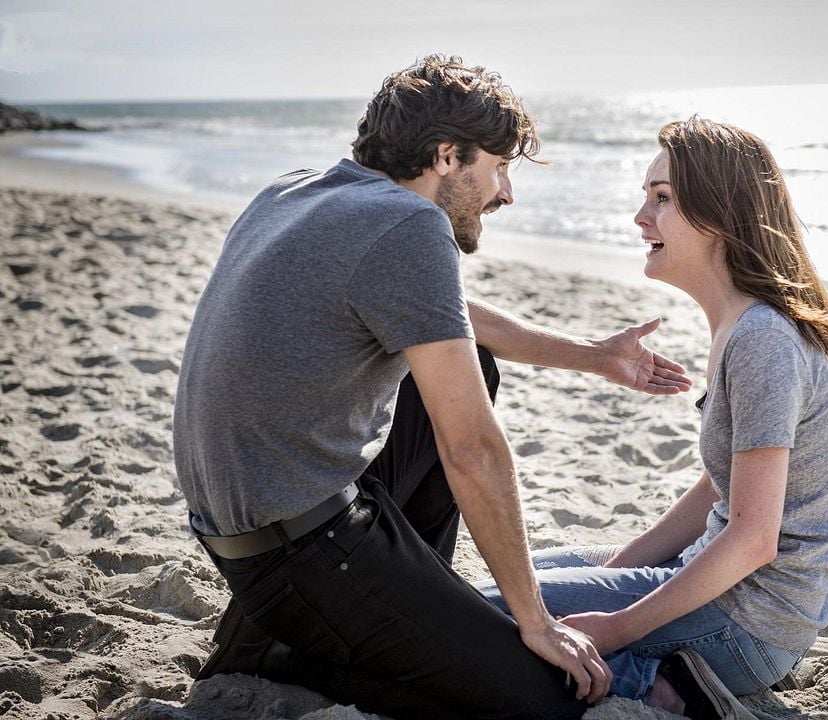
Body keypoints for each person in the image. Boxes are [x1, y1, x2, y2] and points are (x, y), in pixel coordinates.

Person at [173, 55, 693, 720]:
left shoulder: (299, 191)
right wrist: (534, 620)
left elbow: (449, 320)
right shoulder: (409, 225)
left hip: (243, 533)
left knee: (474, 359)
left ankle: (401, 614)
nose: (507, 193)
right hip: (301, 557)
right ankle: (300, 649)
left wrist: (593, 356)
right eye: (498, 167)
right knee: (546, 697)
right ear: (447, 156)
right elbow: (471, 449)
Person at [477, 117, 828, 719]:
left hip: (750, 627)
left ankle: (660, 686)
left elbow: (754, 538)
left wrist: (617, 628)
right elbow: (720, 488)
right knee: (507, 586)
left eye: (662, 199)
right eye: (646, 196)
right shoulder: (742, 325)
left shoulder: (764, 340)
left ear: (721, 216)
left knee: (482, 617)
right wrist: (617, 567)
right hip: (721, 587)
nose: (640, 217)